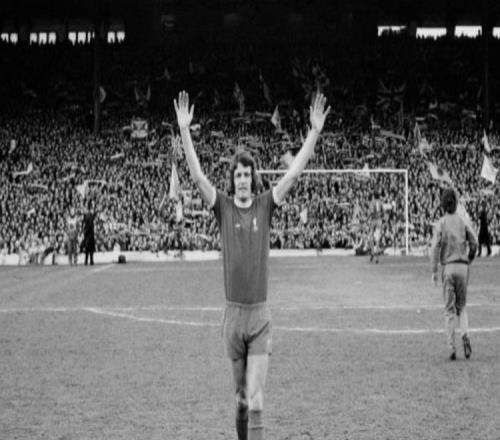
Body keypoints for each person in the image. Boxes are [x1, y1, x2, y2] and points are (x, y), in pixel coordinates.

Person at [174, 90, 330, 440]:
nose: (243, 180)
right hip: (233, 318)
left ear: (253, 178)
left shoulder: (264, 204)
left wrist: (314, 132)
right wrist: (184, 130)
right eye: (238, 175)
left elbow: (293, 175)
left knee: (257, 398)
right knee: (242, 400)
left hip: (259, 317)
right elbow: (197, 177)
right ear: (232, 180)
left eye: (247, 174)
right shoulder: (223, 207)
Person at [430, 188, 478, 361]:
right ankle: (465, 335)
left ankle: (451, 347)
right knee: (462, 306)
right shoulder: (463, 220)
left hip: (448, 268)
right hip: (463, 267)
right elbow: (474, 242)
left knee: (449, 309)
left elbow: (434, 248)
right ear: (456, 203)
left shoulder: (441, 223)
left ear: (443, 204)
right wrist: (469, 258)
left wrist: (434, 270)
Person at [368, 189, 384, 263]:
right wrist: (380, 216)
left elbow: (371, 212)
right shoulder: (380, 202)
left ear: (374, 196)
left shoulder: (372, 202)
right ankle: (377, 257)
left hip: (373, 221)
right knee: (377, 238)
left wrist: (367, 218)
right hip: (379, 221)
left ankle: (372, 251)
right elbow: (383, 212)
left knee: (370, 237)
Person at [82, 200, 96, 265]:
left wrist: (85, 232)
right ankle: (91, 261)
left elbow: (86, 224)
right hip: (90, 234)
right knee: (90, 249)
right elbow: (89, 224)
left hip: (88, 234)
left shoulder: (87, 215)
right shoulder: (89, 215)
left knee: (87, 248)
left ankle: (86, 261)